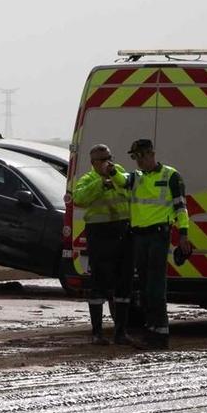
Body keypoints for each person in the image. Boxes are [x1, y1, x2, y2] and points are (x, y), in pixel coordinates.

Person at [126, 137, 189, 349]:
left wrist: (183, 234)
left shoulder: (171, 175)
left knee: (155, 286)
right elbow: (119, 179)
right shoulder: (137, 177)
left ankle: (160, 335)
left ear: (150, 154)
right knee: (144, 287)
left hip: (158, 236)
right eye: (134, 157)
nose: (137, 161)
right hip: (140, 237)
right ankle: (151, 331)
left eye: (139, 156)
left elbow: (181, 208)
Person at [71, 143, 134, 345]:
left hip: (123, 231)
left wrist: (113, 176)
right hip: (99, 234)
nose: (108, 162)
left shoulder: (120, 173)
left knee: (124, 282)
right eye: (103, 159)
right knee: (98, 283)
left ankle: (121, 331)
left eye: (109, 157)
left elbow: (129, 187)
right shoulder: (88, 179)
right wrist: (101, 183)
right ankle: (97, 332)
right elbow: (79, 198)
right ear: (93, 163)